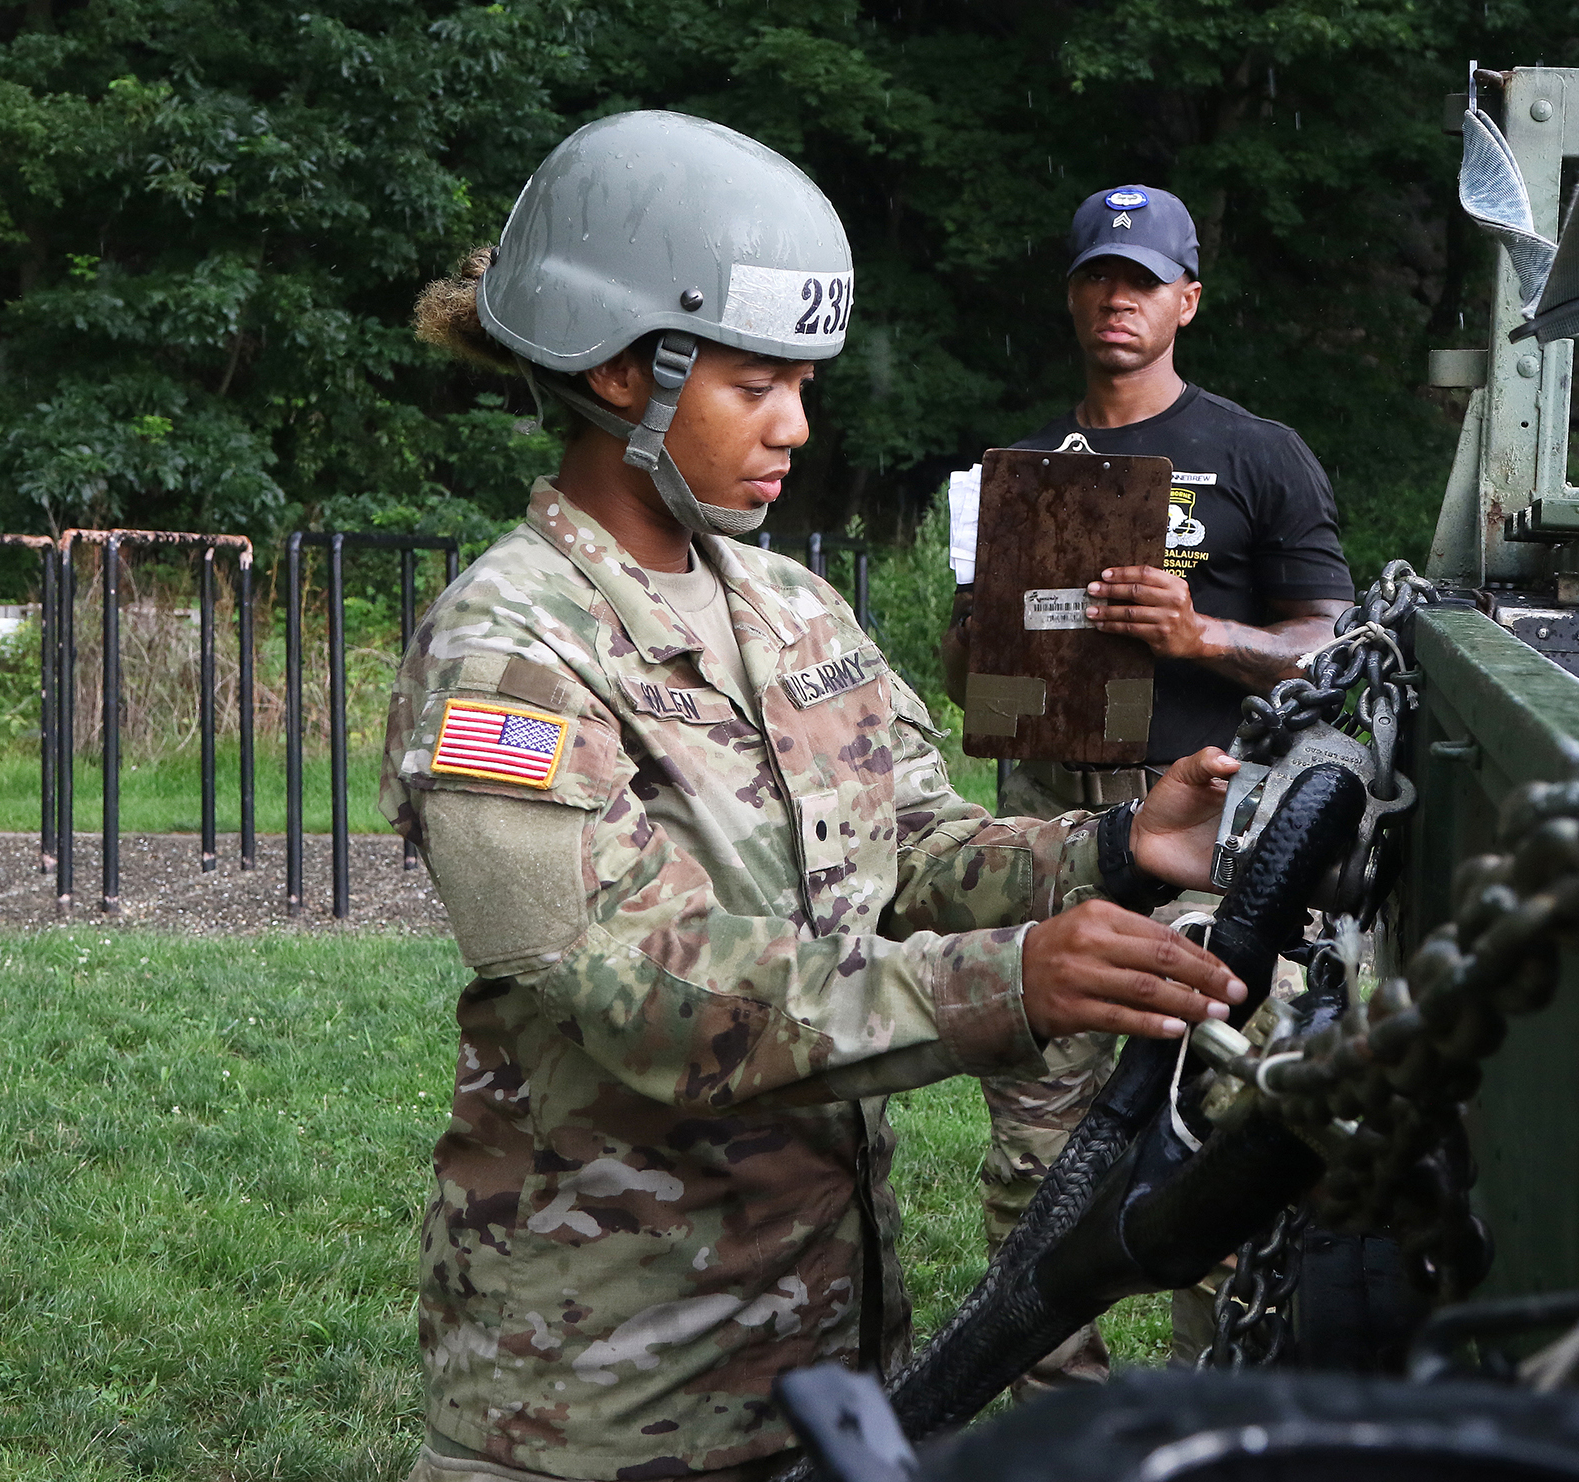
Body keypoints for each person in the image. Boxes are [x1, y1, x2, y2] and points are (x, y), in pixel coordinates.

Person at [387, 113, 1248, 1482]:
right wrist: (1008, 981)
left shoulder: (786, 604)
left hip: (823, 1366)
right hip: (603, 1403)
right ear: (621, 372)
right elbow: (630, 989)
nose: (797, 425)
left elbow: (912, 845)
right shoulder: (512, 652)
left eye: (802, 382)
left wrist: (1110, 844)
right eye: (754, 384)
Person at [940, 184, 1357, 1381]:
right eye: (1096, 277)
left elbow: (1337, 644)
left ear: (1187, 299)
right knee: (1034, 1156)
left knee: (1219, 1146)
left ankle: (1202, 1421)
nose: (1116, 298)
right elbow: (974, 678)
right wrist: (981, 625)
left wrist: (1204, 637)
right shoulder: (1023, 471)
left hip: (1210, 828)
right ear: (1072, 293)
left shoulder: (1253, 454)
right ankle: (1070, 1428)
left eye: (1142, 279)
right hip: (1052, 823)